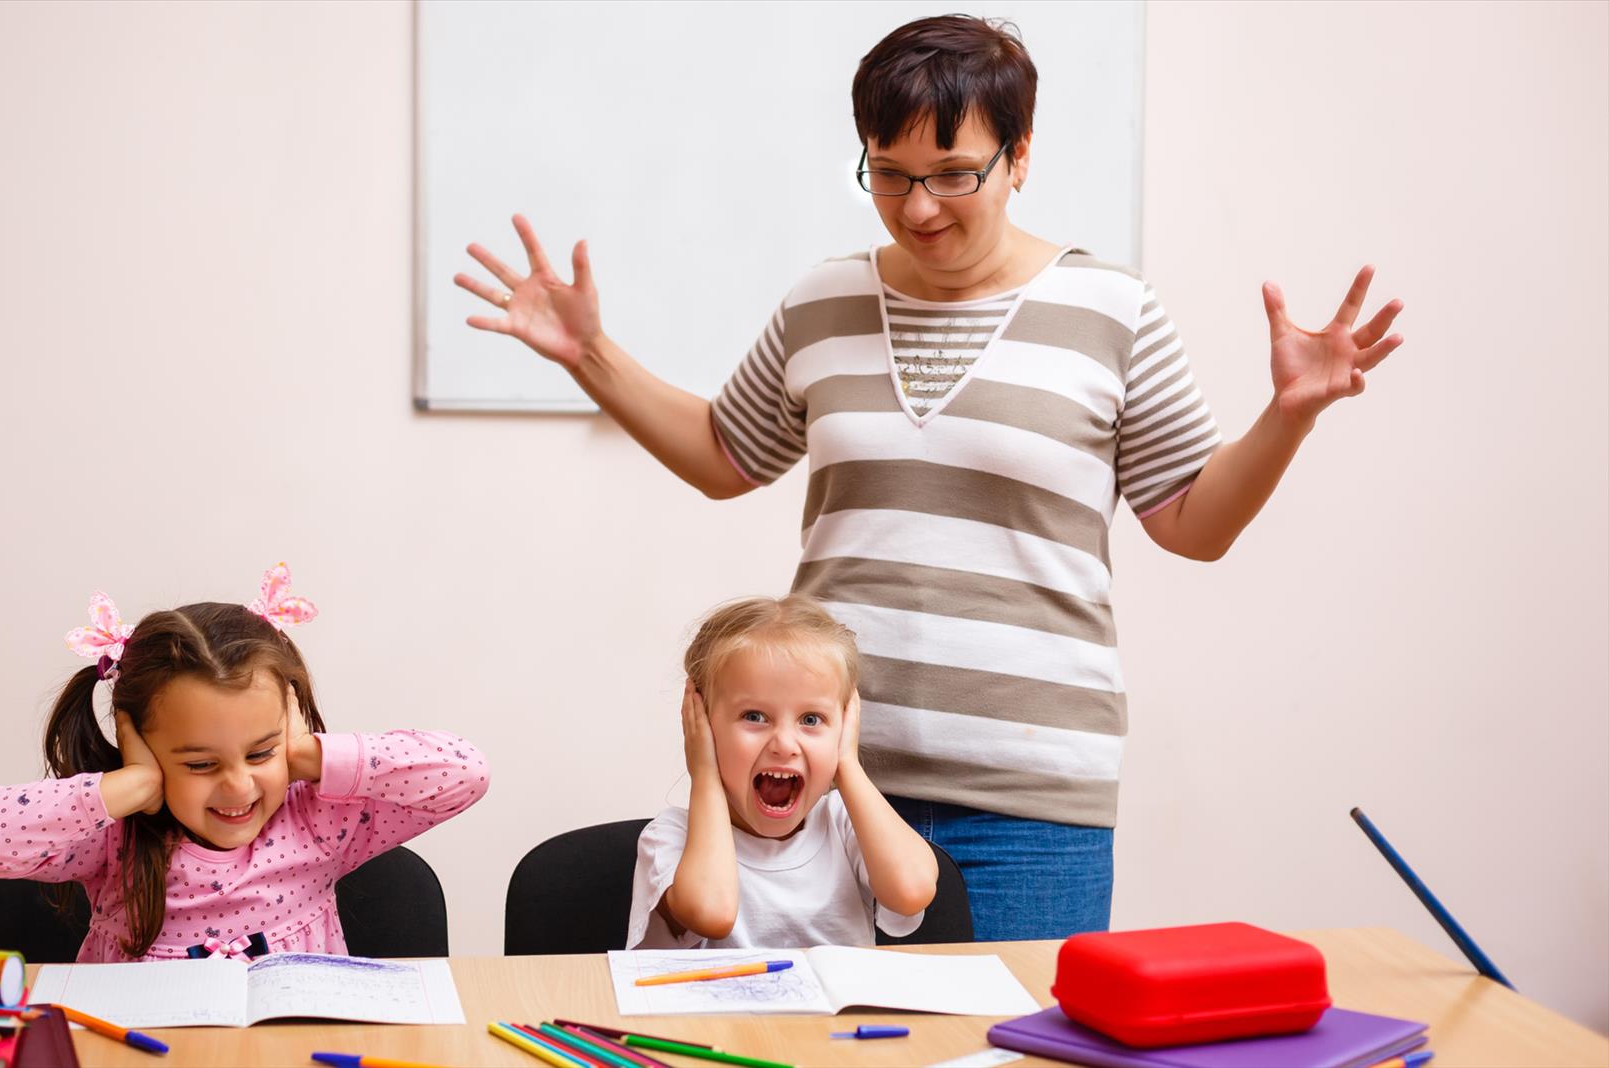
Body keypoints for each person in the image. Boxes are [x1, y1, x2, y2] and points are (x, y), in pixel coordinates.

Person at [459, 15, 1403, 940]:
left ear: (1020, 155)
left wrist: (1289, 415)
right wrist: (589, 355)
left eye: (955, 175)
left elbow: (1193, 522)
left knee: (1012, 1046)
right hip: (829, 779)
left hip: (1029, 802)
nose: (918, 207)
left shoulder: (1111, 310)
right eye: (890, 173)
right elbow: (723, 454)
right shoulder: (824, 299)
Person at [0, 563, 489, 961]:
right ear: (142, 744)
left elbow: (465, 774)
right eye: (201, 765)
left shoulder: (320, 819)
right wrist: (133, 785)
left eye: (260, 752)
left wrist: (307, 755)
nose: (238, 787)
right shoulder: (114, 838)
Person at [627, 595, 938, 949]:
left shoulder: (841, 822)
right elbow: (712, 912)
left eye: (811, 719)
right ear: (702, 726)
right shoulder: (670, 838)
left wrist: (847, 764)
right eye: (754, 716)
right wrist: (706, 777)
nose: (784, 744)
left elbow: (912, 890)